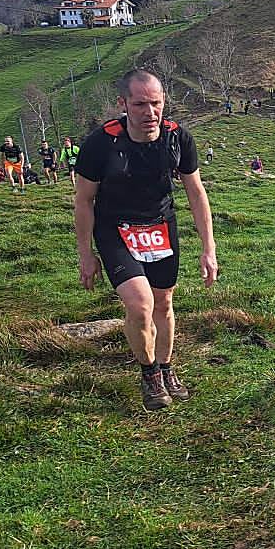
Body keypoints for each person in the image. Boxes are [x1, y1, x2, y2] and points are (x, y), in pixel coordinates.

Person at [73, 69, 218, 411]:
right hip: (115, 230)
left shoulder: (177, 138)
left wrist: (208, 248)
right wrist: (86, 253)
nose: (150, 113)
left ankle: (166, 369)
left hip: (160, 227)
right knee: (140, 306)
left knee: (164, 304)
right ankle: (149, 373)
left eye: (156, 104)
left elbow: (196, 193)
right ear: (123, 104)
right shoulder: (100, 143)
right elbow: (83, 200)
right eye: (140, 104)